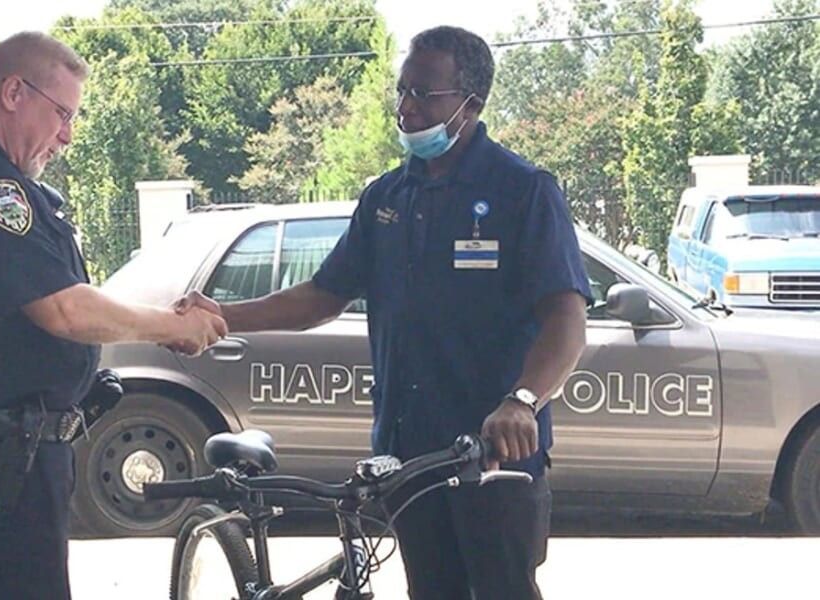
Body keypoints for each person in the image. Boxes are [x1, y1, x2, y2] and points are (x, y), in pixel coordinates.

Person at [177, 26, 591, 600]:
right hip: (408, 455)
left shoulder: (523, 191)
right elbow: (323, 294)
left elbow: (566, 316)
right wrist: (219, 315)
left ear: (471, 103)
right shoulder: (387, 198)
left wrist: (523, 400)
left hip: (493, 458)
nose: (406, 108)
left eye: (423, 94)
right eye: (403, 92)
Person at [0, 32, 226, 599]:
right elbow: (65, 310)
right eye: (63, 114)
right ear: (14, 92)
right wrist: (175, 325)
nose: (67, 135)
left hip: (8, 454)